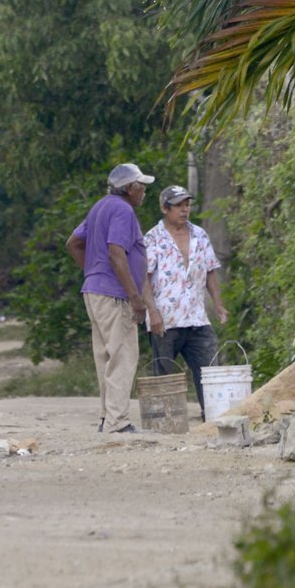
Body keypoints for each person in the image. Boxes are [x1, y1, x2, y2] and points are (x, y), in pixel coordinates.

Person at [65, 163, 152, 433]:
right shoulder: (123, 210)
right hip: (113, 295)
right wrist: (135, 298)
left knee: (105, 356)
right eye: (141, 187)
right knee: (123, 355)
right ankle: (117, 421)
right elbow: (116, 252)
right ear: (129, 189)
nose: (144, 192)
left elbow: (73, 243)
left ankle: (107, 417)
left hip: (94, 291)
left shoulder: (100, 207)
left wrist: (93, 271)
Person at [141, 184, 228, 416]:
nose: (184, 210)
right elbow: (144, 279)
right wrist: (152, 312)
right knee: (165, 373)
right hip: (165, 319)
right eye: (178, 205)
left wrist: (218, 304)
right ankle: (167, 421)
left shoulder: (199, 235)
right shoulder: (153, 238)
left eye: (187, 205)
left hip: (196, 317)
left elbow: (210, 271)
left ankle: (212, 416)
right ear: (164, 208)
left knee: (209, 371)